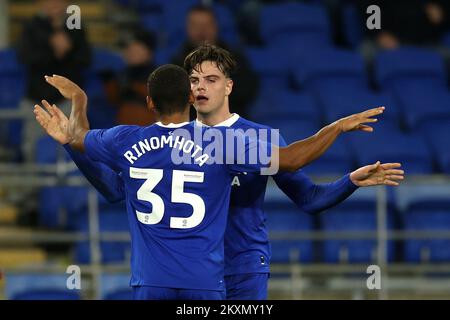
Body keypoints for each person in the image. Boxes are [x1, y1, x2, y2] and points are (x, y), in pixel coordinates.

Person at [34, 64, 384, 300]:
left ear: (149, 102)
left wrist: (79, 100)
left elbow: (77, 137)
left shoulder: (124, 139)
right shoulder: (221, 144)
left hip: (150, 282)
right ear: (190, 97)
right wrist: (335, 128)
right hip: (203, 283)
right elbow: (293, 158)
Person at [17, 0, 91, 162]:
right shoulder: (32, 26)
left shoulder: (75, 24)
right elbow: (25, 57)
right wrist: (54, 49)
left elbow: (85, 59)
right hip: (36, 99)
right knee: (31, 148)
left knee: (72, 147)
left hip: (68, 100)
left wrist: (67, 49)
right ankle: (33, 187)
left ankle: (72, 186)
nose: (53, 5)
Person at [171, 4, 258, 119]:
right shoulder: (177, 63)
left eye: (207, 25)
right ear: (187, 28)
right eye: (195, 25)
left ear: (216, 26)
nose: (201, 30)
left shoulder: (234, 59)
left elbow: (247, 90)